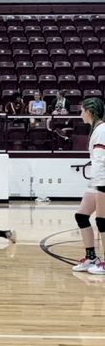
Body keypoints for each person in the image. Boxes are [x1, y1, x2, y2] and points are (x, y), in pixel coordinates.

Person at [72, 97, 105, 275]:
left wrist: (98, 185)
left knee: (102, 221)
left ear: (89, 112)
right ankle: (91, 257)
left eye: (82, 110)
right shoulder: (98, 130)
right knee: (81, 216)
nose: (80, 114)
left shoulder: (101, 130)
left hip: (102, 181)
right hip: (97, 182)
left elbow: (100, 161)